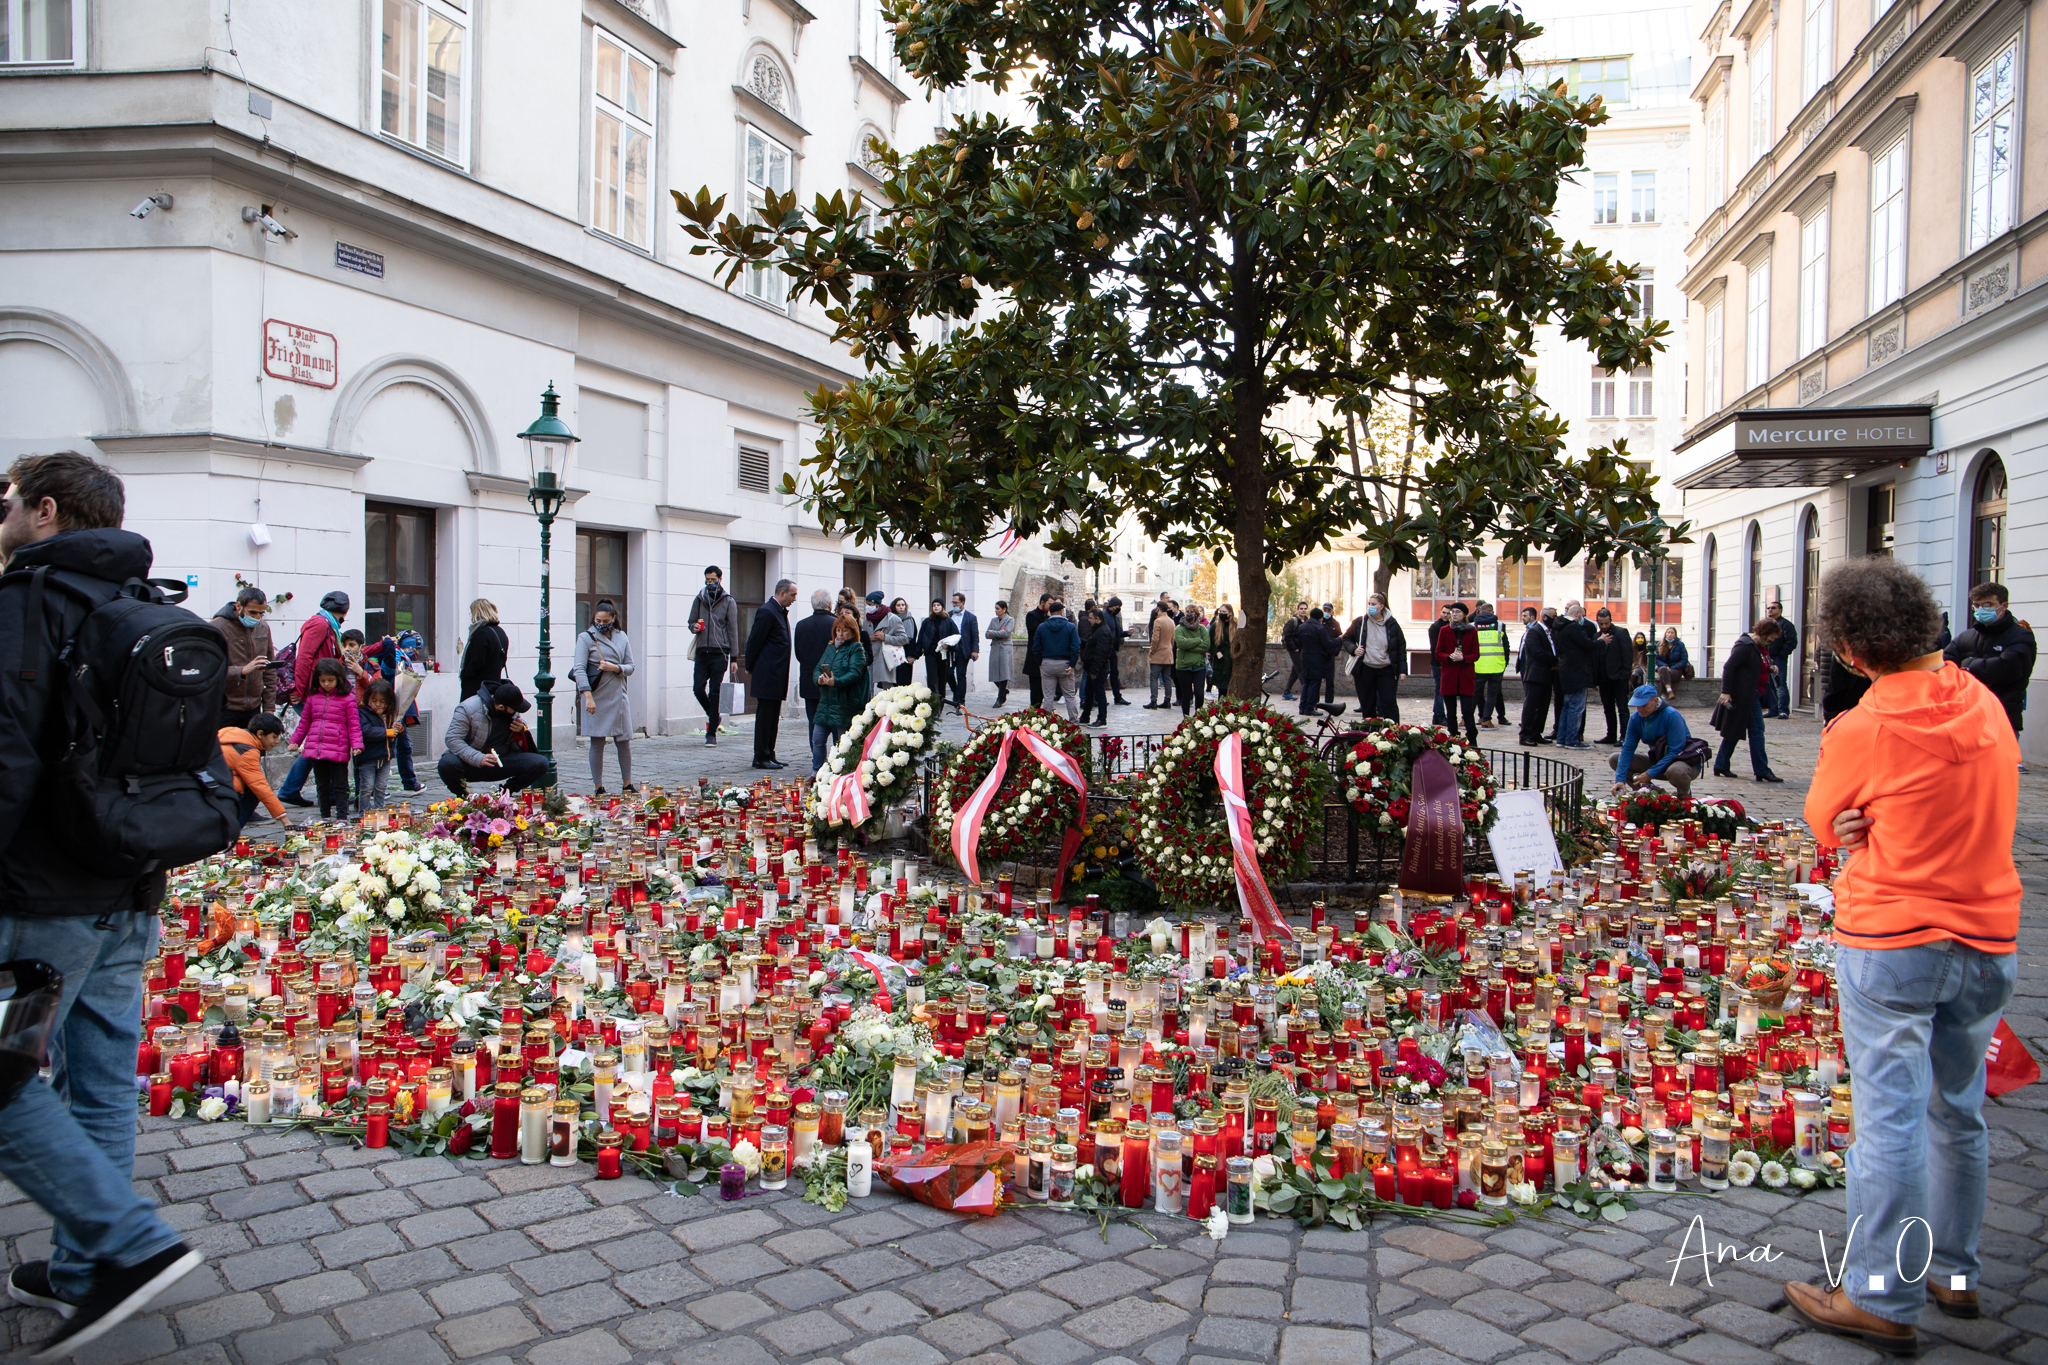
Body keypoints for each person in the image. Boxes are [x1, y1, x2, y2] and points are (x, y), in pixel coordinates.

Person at [1785, 556, 2020, 1355]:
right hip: (1987, 934)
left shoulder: (1865, 725)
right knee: (1958, 1108)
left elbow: (1824, 817)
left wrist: (1851, 823)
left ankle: (1884, 1292)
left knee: (1888, 1117)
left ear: (1851, 650)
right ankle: (1954, 1268)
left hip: (1894, 936)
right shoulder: (1985, 704)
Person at [0, 451, 204, 1353]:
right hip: (132, 882)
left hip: (44, 893)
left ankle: (124, 1245)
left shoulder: (26, 606)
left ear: (46, 511)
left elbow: (6, 758)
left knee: (3, 1073)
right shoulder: (150, 608)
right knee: (101, 1071)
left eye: (10, 501)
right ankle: (86, 1271)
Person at [275, 589, 349, 807]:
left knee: (319, 740)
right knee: (319, 741)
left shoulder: (328, 625)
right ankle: (295, 789)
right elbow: (305, 658)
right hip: (310, 692)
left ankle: (297, 789)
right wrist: (298, 690)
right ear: (342, 611)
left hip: (318, 690)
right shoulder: (320, 624)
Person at [1944, 580, 2036, 746]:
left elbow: (2008, 668)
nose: (1981, 610)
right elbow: (1945, 665)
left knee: (2000, 770)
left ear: (2003, 605)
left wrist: (1968, 665)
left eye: (1988, 604)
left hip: (2003, 717)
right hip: (1967, 716)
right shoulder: (1966, 637)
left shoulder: (2021, 636)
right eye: (1977, 605)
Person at [571, 598, 638, 792]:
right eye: (597, 621)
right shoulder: (585, 638)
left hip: (618, 694)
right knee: (597, 741)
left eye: (604, 621)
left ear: (613, 618)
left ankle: (628, 784)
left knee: (624, 741)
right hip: (597, 695)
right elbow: (579, 669)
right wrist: (587, 696)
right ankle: (598, 786)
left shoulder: (622, 637)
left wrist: (614, 667)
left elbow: (631, 667)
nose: (601, 624)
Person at [438, 681, 548, 794]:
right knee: (447, 764)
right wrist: (478, 757)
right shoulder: (468, 708)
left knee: (540, 763)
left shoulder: (509, 708)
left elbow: (520, 723)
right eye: (514, 709)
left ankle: (504, 794)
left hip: (501, 760)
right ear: (501, 707)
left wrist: (521, 729)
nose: (516, 711)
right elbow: (452, 739)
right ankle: (463, 796)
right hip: (472, 761)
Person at [1712, 617, 1784, 782]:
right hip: (1744, 695)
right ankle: (1762, 770)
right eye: (1771, 637)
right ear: (1763, 633)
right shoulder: (1746, 646)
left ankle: (1721, 765)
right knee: (1757, 731)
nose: (1772, 641)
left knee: (1735, 730)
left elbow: (1755, 666)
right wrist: (1726, 692)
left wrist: (1769, 668)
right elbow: (1729, 667)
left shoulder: (1759, 647)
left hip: (1752, 693)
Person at [289, 658, 362, 818]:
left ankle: (342, 816)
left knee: (340, 785)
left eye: (330, 680)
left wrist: (357, 744)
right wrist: (295, 740)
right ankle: (325, 816)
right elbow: (304, 723)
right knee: (321, 785)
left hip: (338, 747)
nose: (326, 684)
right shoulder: (313, 698)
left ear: (338, 678)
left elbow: (354, 725)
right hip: (317, 748)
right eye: (323, 680)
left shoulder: (348, 698)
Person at [1608, 684, 1698, 800]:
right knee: (1615, 759)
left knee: (1675, 771)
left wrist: (1650, 773)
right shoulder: (1636, 718)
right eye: (1637, 705)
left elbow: (1675, 751)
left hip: (1682, 762)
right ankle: (1645, 793)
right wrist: (1620, 780)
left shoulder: (1672, 716)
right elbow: (1627, 749)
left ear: (1655, 701)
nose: (1640, 709)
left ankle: (1684, 795)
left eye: (1644, 705)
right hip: (1658, 760)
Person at [744, 579, 797, 770]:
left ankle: (769, 753)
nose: (794, 599)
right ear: (782, 593)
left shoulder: (779, 611)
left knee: (773, 717)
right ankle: (760, 756)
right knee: (765, 717)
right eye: (792, 595)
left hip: (776, 675)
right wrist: (749, 665)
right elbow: (754, 641)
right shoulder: (767, 611)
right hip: (767, 674)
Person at [811, 614, 874, 768]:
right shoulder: (831, 647)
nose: (840, 634)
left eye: (844, 631)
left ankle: (842, 771)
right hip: (826, 702)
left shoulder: (856, 648)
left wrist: (836, 682)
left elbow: (855, 673)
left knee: (842, 743)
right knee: (817, 739)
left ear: (852, 632)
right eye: (838, 630)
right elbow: (818, 667)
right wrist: (819, 679)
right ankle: (816, 771)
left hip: (843, 702)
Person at [688, 565, 740, 747]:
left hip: (720, 653)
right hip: (702, 650)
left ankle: (711, 734)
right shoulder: (700, 599)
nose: (710, 583)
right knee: (697, 688)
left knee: (715, 691)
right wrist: (693, 626)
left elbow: (733, 630)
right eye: (707, 580)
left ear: (720, 579)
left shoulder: (728, 601)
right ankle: (714, 716)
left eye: (713, 580)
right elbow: (691, 620)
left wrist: (734, 657)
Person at [212, 584, 276, 730]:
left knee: (253, 752)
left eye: (261, 614)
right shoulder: (217, 628)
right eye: (252, 612)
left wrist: (269, 708)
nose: (257, 618)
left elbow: (270, 669)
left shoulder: (263, 627)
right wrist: (241, 671)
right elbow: (208, 670)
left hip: (254, 708)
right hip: (225, 708)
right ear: (239, 606)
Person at [221, 712, 291, 828]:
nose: (277, 741)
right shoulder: (247, 751)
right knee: (254, 791)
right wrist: (284, 819)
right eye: (274, 737)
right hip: (223, 788)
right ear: (260, 734)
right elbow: (259, 785)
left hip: (210, 781)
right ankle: (231, 834)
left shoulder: (232, 734)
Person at [1343, 594, 1406, 720]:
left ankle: (1393, 733)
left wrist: (1403, 670)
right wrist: (1354, 649)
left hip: (1386, 669)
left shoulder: (1392, 624)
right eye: (1369, 603)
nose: (1370, 606)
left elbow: (1400, 648)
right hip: (1365, 668)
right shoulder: (1360, 622)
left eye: (1373, 604)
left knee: (1389, 703)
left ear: (1381, 606)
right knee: (1367, 704)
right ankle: (1369, 735)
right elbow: (1346, 638)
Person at [794, 591, 837, 768]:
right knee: (835, 722)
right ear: (830, 605)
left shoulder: (801, 625)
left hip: (809, 680)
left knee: (814, 721)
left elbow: (799, 653)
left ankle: (817, 760)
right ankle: (836, 760)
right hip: (832, 682)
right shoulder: (836, 623)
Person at [1554, 600, 1599, 749]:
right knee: (1576, 707)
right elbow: (1588, 645)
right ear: (1577, 614)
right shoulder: (1573, 628)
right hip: (1577, 671)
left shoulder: (1559, 627)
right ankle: (1572, 740)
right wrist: (1602, 641)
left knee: (1567, 705)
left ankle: (1562, 738)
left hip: (1566, 670)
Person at [1433, 601, 1479, 741]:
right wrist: (1449, 657)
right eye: (1453, 612)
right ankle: (1453, 739)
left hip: (1465, 676)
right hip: (1449, 676)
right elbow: (1438, 652)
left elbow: (1476, 654)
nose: (1454, 614)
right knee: (1451, 712)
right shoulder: (1444, 630)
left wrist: (1464, 658)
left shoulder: (1472, 631)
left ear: (1465, 614)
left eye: (1457, 612)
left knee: (1467, 711)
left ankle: (1472, 738)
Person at [355, 679, 401, 814]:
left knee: (381, 787)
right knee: (367, 787)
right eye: (375, 701)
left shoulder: (391, 714)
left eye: (382, 702)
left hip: (385, 757)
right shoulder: (363, 712)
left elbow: (396, 735)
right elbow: (366, 731)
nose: (378, 704)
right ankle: (364, 812)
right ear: (368, 698)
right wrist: (387, 732)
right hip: (368, 757)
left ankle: (380, 811)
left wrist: (400, 730)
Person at [1516, 606, 1555, 746]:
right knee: (1531, 706)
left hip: (1546, 675)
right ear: (1544, 617)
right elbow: (1538, 652)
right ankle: (1525, 735)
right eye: (1552, 616)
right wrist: (1555, 660)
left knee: (1543, 706)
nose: (1554, 619)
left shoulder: (1549, 632)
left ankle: (1536, 732)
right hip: (1535, 674)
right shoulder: (1534, 631)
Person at [1036, 600, 1082, 720]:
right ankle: (1073, 720)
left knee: (1048, 697)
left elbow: (1036, 647)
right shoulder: (1070, 627)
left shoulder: (1042, 627)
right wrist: (1072, 664)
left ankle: (1046, 723)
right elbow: (1075, 646)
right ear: (1062, 611)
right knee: (1069, 696)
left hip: (1047, 663)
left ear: (1050, 613)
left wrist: (1040, 662)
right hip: (1065, 664)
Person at [1593, 606, 1632, 744]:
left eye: (1606, 623)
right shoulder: (1596, 637)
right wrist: (1595, 680)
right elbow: (1595, 659)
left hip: (1619, 677)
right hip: (1604, 679)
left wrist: (1624, 676)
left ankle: (1624, 736)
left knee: (1622, 708)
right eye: (1601, 623)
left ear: (1611, 620)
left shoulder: (1621, 633)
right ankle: (1611, 735)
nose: (1604, 626)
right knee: (1608, 708)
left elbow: (1627, 656)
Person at [458, 598, 508, 702]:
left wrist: (466, 675)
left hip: (477, 687)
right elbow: (503, 660)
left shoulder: (481, 633)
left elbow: (476, 661)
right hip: (494, 683)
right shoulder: (500, 632)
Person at [1471, 600, 1510, 728]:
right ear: (1492, 612)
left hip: (1477, 666)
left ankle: (1467, 718)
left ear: (1480, 612)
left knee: (1474, 694)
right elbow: (1506, 647)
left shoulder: (1473, 626)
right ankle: (1486, 720)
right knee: (1492, 695)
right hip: (1496, 666)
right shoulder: (1500, 626)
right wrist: (1504, 663)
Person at [915, 599, 960, 706]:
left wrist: (948, 645)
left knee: (942, 679)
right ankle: (934, 703)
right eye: (934, 605)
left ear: (942, 607)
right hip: (931, 653)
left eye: (938, 605)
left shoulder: (948, 621)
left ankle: (941, 703)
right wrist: (916, 654)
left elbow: (957, 638)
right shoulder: (927, 622)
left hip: (943, 654)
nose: (936, 607)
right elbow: (921, 638)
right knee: (932, 679)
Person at [1296, 607, 1340, 713]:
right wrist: (1339, 639)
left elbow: (1298, 642)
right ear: (1320, 618)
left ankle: (1302, 706)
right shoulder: (1319, 628)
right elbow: (1327, 643)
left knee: (1306, 682)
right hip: (1317, 658)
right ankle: (1310, 707)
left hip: (1305, 656)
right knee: (1315, 682)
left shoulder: (1302, 627)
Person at [1763, 601, 1799, 718]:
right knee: (1770, 685)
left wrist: (1781, 655)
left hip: (1778, 659)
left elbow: (1792, 641)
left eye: (1773, 608)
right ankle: (1773, 709)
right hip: (1768, 658)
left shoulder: (1786, 625)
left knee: (1780, 684)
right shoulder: (1767, 624)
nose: (1770, 610)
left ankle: (1783, 710)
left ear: (1780, 610)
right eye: (1768, 608)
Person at [1173, 605, 1210, 715]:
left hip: (1199, 665)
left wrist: (1188, 644)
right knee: (1186, 694)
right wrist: (1199, 640)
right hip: (1184, 666)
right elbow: (1181, 644)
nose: (1189, 614)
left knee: (1199, 693)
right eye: (1187, 611)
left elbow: (1206, 645)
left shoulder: (1202, 628)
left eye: (1192, 612)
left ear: (1197, 614)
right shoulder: (1179, 628)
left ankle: (1198, 716)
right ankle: (1186, 718)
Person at [1081, 606, 1115, 726]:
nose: (1089, 620)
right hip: (1092, 667)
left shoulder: (1103, 631)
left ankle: (1101, 718)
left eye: (1090, 618)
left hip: (1098, 669)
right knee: (1089, 693)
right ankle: (1085, 716)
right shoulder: (1097, 629)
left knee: (1099, 693)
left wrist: (1095, 670)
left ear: (1098, 618)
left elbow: (1101, 653)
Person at [872, 596, 913, 690]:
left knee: (902, 684)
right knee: (890, 684)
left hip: (903, 656)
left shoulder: (909, 619)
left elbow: (910, 639)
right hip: (890, 654)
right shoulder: (889, 618)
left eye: (903, 605)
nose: (901, 607)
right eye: (898, 605)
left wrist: (912, 655)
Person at [949, 592, 980, 712]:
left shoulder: (970, 617)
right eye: (953, 602)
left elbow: (975, 635)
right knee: (949, 673)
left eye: (956, 602)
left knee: (961, 674)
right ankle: (956, 692)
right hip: (951, 650)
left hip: (963, 650)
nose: (954, 604)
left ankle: (960, 699)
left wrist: (975, 650)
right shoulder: (949, 615)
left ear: (962, 603)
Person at [1146, 597, 1179, 707]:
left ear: (1158, 609)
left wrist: (1152, 651)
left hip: (1158, 653)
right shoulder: (1171, 621)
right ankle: (1167, 700)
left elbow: (1155, 639)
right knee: (1167, 678)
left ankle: (1153, 700)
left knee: (1154, 677)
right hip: (1168, 652)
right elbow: (1172, 639)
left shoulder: (1158, 621)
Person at [985, 600, 1016, 707]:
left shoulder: (1010, 619)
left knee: (1004, 672)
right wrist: (995, 633)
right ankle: (1003, 690)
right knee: (993, 673)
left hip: (1005, 648)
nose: (996, 611)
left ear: (1004, 609)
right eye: (995, 608)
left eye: (998, 609)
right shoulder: (993, 620)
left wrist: (993, 632)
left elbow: (1006, 633)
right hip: (995, 648)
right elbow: (986, 634)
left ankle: (1000, 697)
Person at [1024, 594, 1052, 707]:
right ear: (1042, 602)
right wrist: (1048, 618)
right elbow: (1038, 631)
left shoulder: (1048, 617)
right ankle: (1035, 713)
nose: (1051, 606)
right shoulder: (1032, 615)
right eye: (1049, 603)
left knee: (1045, 691)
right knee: (1035, 690)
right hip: (1034, 658)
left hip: (1046, 658)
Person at [1425, 604, 1451, 725]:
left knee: (1440, 690)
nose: (1446, 615)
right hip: (1438, 663)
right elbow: (1435, 647)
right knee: (1440, 691)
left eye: (1448, 613)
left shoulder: (1450, 626)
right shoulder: (1435, 627)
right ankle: (1440, 716)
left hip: (1446, 662)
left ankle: (1437, 716)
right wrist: (1439, 662)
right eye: (1444, 612)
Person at [1280, 601, 1309, 700]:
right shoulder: (1293, 621)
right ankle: (1307, 693)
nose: (1303, 610)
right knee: (1301, 670)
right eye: (1301, 608)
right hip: (1295, 650)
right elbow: (1287, 636)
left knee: (1295, 671)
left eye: (1305, 609)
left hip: (1303, 649)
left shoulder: (1307, 621)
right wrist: (1294, 648)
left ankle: (1287, 692)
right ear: (1297, 610)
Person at [1105, 595, 1130, 704]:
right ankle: (1099, 698)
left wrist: (1126, 633)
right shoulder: (1105, 615)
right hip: (1105, 649)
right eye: (1117, 606)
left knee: (1114, 673)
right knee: (1103, 673)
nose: (1118, 608)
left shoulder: (1115, 617)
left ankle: (1117, 697)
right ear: (1112, 606)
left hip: (1113, 649)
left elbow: (1117, 632)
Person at [1654, 627, 1691, 700]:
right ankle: (1669, 690)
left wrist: (1673, 667)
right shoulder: (1659, 644)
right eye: (1668, 632)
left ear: (1675, 635)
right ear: (1665, 634)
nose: (1670, 634)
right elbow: (1656, 659)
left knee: (1663, 675)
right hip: (1663, 668)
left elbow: (1684, 660)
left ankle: (1663, 695)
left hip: (1676, 670)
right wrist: (1665, 666)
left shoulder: (1680, 645)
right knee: (1663, 670)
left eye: (1672, 633)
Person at [1209, 604, 1237, 696]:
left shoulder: (1235, 625)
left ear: (1230, 613)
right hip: (1220, 660)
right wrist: (1216, 652)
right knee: (1221, 689)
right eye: (1220, 612)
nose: (1221, 614)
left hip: (1232, 659)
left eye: (1224, 612)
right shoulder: (1215, 626)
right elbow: (1210, 643)